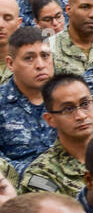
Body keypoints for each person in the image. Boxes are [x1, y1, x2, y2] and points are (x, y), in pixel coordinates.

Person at [20, 75, 93, 197]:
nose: (81, 116)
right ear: (50, 119)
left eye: (85, 104)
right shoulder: (41, 174)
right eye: (68, 109)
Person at [1, 27, 55, 172]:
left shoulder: (68, 95)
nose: (40, 65)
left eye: (45, 56)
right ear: (11, 64)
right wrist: (42, 182)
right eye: (29, 58)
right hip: (22, 187)